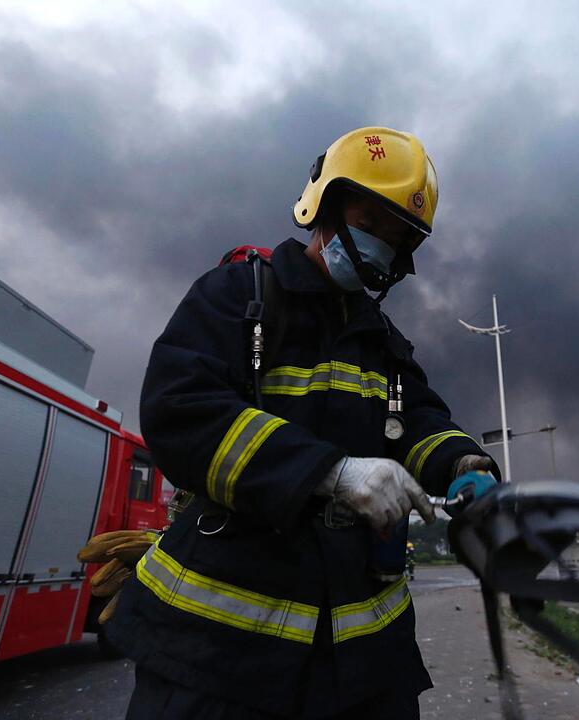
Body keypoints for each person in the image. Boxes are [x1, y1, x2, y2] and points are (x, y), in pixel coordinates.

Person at [105, 126, 497, 720]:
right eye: (369, 223)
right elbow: (179, 409)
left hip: (363, 670)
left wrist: (466, 464)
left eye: (396, 239)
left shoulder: (384, 342)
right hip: (216, 660)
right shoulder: (238, 295)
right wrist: (330, 473)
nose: (380, 248)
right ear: (324, 208)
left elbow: (418, 419)